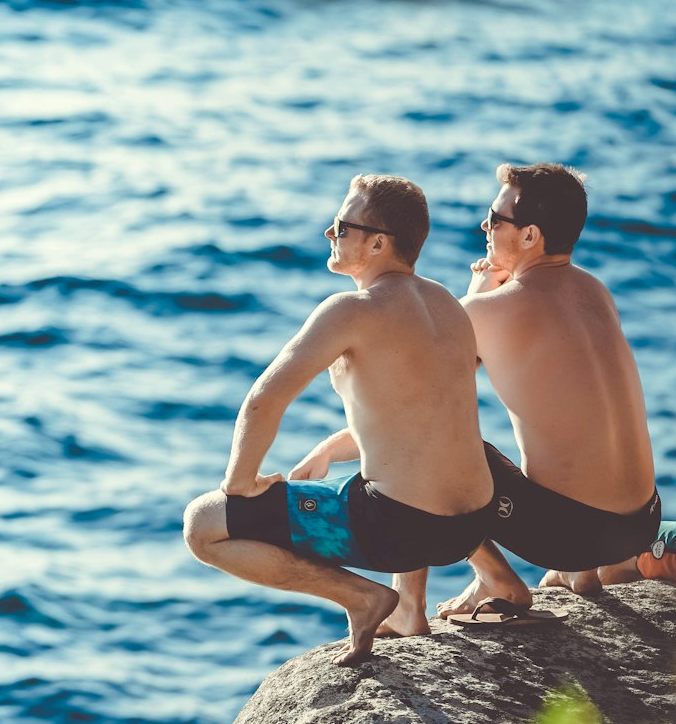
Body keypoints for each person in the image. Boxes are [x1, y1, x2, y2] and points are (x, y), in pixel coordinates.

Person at [183, 175, 499, 665]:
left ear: (378, 242)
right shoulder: (445, 305)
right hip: (469, 526)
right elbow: (419, 421)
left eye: (341, 226)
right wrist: (331, 448)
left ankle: (363, 598)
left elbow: (264, 400)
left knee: (202, 525)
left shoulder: (352, 310)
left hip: (400, 530)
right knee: (385, 477)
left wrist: (239, 483)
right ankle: (410, 610)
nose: (330, 235)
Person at [429, 162, 662, 618]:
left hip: (573, 535)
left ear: (530, 235)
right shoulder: (594, 290)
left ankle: (495, 580)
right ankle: (583, 574)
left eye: (495, 220)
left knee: (423, 446)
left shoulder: (491, 309)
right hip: (642, 522)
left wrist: (475, 293)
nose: (485, 227)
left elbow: (426, 383)